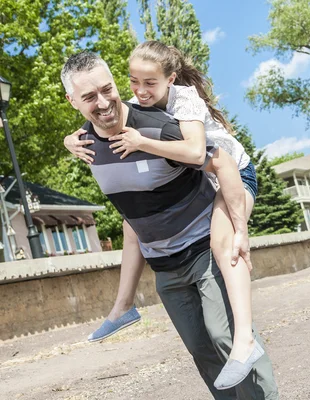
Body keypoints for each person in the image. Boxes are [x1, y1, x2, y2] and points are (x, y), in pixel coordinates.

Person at [61, 51, 278, 397]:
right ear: (72, 101)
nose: (103, 102)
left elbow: (221, 162)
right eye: (89, 97)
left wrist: (239, 230)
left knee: (226, 337)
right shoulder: (86, 145)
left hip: (205, 250)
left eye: (107, 89)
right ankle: (123, 308)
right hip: (165, 267)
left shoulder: (158, 126)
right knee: (203, 352)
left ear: (116, 83)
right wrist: (67, 139)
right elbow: (131, 215)